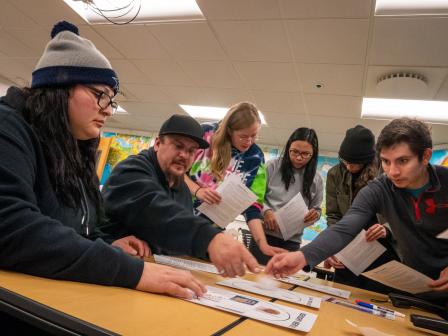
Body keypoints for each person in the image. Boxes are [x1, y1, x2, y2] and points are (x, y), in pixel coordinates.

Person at [0, 21, 206, 302]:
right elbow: (12, 226)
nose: (108, 110)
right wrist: (131, 271)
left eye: (111, 100)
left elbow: (80, 226)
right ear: (60, 86)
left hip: (55, 292)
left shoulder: (75, 148)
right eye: (101, 96)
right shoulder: (8, 126)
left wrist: (107, 243)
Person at [266, 118, 448, 303]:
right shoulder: (380, 188)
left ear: (425, 156)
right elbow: (345, 227)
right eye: (385, 161)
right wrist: (303, 256)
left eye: (403, 161)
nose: (392, 172)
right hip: (413, 288)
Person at [100, 114, 260, 278]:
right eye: (178, 146)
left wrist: (213, 252)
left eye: (191, 151)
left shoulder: (181, 187)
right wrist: (209, 238)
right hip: (108, 266)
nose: (184, 155)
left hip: (148, 270)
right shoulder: (132, 169)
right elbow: (156, 212)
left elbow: (176, 239)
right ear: (157, 143)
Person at [184, 102, 287, 260]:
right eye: (243, 136)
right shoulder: (205, 134)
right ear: (229, 131)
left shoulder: (254, 156)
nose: (249, 141)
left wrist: (262, 245)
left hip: (211, 233)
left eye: (254, 136)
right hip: (180, 220)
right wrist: (198, 191)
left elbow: (252, 206)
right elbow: (176, 171)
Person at [325, 125, 398, 292]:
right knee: (341, 297)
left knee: (375, 301)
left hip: (381, 252)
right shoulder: (334, 174)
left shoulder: (386, 175)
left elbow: (400, 215)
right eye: (345, 162)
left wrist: (386, 228)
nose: (349, 167)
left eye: (355, 163)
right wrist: (332, 247)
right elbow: (334, 215)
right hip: (348, 251)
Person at [250, 128, 323, 265]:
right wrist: (266, 211)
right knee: (254, 278)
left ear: (313, 155)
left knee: (282, 282)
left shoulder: (317, 179)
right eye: (294, 151)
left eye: (305, 154)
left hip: (291, 242)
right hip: (263, 235)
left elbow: (317, 210)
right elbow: (254, 196)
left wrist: (315, 215)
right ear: (288, 147)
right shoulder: (272, 166)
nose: (299, 157)